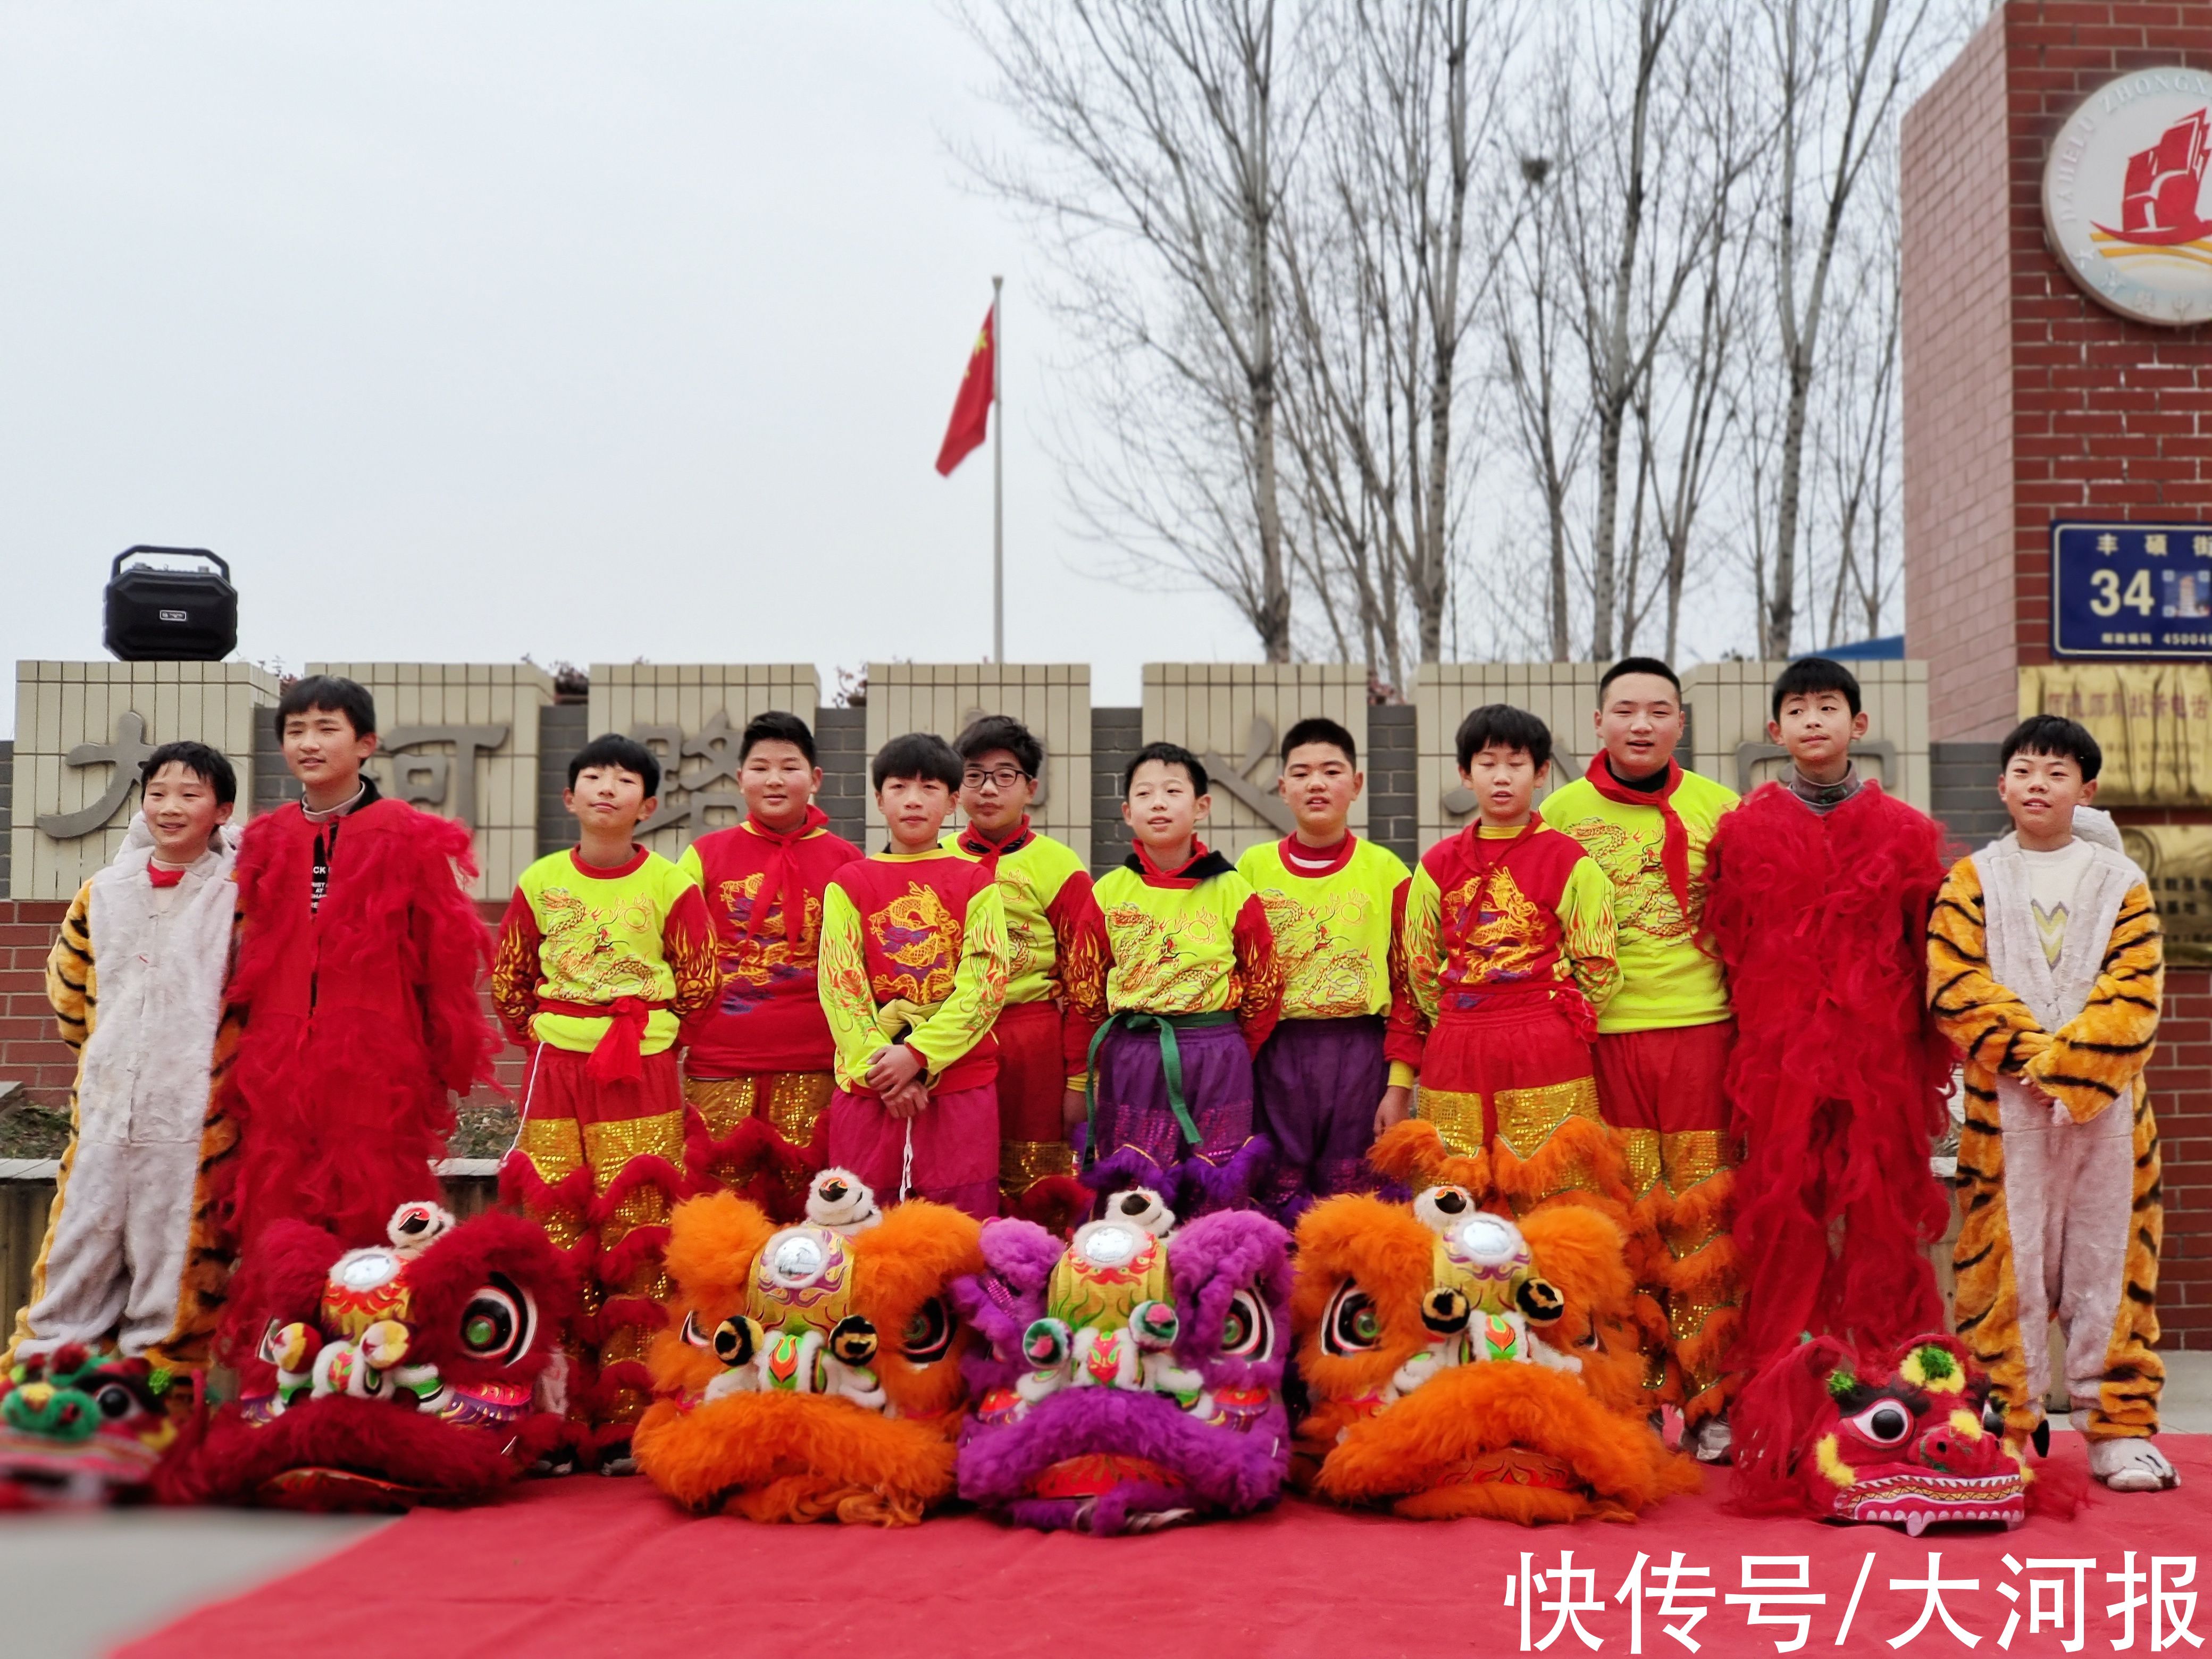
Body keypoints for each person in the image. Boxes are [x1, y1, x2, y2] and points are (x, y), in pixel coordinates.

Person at [154, 676, 494, 1368]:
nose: (309, 743)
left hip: (376, 1066)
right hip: (277, 1065)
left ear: (365, 743)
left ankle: (385, 1368)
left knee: (377, 1219)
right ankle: (283, 1375)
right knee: (277, 1221)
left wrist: (437, 1060)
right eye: (296, 730)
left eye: (327, 728)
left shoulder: (410, 836)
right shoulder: (267, 840)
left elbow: (446, 962)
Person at [1927, 715, 2174, 1492]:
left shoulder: (2121, 883)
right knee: (2005, 1266)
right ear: (2002, 786)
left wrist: (2071, 1070)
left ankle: (2119, 1431)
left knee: (2112, 1264)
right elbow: (1952, 983)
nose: (2039, 783)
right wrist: (2033, 1061)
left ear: (2087, 790)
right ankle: (2003, 1419)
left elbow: (2136, 991)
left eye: (2057, 772)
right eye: (2025, 770)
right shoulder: (1973, 879)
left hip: (2109, 1113)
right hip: (2006, 1112)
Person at [1704, 658, 1953, 1377]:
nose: (1814, 720)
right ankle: (1787, 1373)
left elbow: (1926, 950)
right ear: (1774, 730)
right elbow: (1733, 947)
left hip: (1879, 1058)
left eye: (1829, 707)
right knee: (1786, 1215)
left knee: (1882, 1216)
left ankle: (1886, 1372)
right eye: (1799, 709)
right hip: (1779, 1060)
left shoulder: (1905, 831)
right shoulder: (1744, 831)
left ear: (1859, 724)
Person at [493, 733, 719, 1466]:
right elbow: (509, 981)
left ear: (647, 805)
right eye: (592, 776)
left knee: (637, 1233)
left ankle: (630, 1417)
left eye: (625, 780)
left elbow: (701, 983)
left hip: (643, 1066)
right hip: (557, 1063)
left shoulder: (669, 885)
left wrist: (654, 1037)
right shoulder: (540, 880)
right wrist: (550, 1036)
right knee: (556, 1227)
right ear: (569, 797)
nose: (606, 788)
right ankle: (555, 1416)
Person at [1538, 656, 1740, 1457]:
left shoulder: (1722, 810)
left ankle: (1709, 1399)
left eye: (1659, 711)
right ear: (1598, 723)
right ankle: (1627, 1396)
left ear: (1681, 725)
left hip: (1703, 1033)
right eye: (1626, 710)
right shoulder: (1557, 814)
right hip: (1603, 1040)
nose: (1642, 725)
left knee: (1703, 1219)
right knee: (1619, 1218)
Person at [10, 744, 239, 1364]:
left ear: (222, 811)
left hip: (195, 1110)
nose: (170, 808)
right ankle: (51, 1361)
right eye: (158, 793)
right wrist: (107, 1058)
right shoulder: (103, 891)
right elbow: (68, 983)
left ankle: (160, 1371)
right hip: (108, 1106)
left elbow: (253, 1002)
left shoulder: (239, 897)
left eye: (190, 796)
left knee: (174, 1247)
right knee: (81, 1237)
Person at [1398, 706, 1624, 1213]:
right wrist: (1459, 1016)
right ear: (1465, 773)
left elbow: (1600, 967)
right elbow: (1418, 964)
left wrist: (1551, 1016)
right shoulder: (1434, 865)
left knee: (1554, 1193)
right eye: (1487, 763)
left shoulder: (1572, 861)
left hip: (1545, 1040)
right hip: (1456, 1045)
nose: (1502, 777)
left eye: (1517, 764)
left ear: (1542, 772)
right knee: (1454, 1198)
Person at [1065, 742, 1283, 1217]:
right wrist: (1089, 1069)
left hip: (1218, 1054)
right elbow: (1084, 989)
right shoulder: (1108, 892)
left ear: (1201, 806)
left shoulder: (1232, 889)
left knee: (1216, 1185)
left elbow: (1265, 986)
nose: (1158, 803)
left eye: (1172, 791)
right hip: (1132, 1056)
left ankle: (1211, 1279)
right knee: (1135, 1189)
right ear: (1127, 812)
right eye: (1144, 794)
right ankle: (1129, 1280)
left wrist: (1227, 1048)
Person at [817, 732, 1010, 1219]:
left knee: (958, 1223)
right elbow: (840, 985)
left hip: (958, 1081)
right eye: (900, 787)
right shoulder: (850, 882)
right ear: (879, 799)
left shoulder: (975, 881)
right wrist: (887, 1072)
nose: (914, 801)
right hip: (872, 1083)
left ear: (952, 802)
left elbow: (986, 982)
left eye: (929, 788)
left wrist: (920, 1057)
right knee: (859, 1219)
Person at [676, 710, 861, 1216]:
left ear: (815, 779)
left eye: (789, 766)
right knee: (716, 1200)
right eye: (760, 767)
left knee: (810, 1201)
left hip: (815, 1061)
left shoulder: (847, 861)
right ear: (740, 779)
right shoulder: (703, 855)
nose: (775, 779)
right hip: (720, 1063)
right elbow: (673, 950)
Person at [1234, 717, 1417, 1222]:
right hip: (1273, 1057)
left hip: (1361, 1057)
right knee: (1273, 1201)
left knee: (1357, 1208)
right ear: (1283, 787)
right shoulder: (1249, 870)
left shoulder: (1388, 873)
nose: (1316, 783)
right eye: (1302, 772)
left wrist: (1398, 1087)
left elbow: (1410, 988)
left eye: (1331, 771)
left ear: (1356, 784)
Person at [944, 715, 1101, 1220]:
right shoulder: (932, 856)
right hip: (948, 1039)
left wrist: (1079, 1079)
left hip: (1033, 1038)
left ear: (1030, 788)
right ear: (957, 788)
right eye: (975, 775)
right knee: (959, 1173)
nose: (989, 789)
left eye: (1005, 775)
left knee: (1037, 1178)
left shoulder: (1060, 865)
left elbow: (1086, 980)